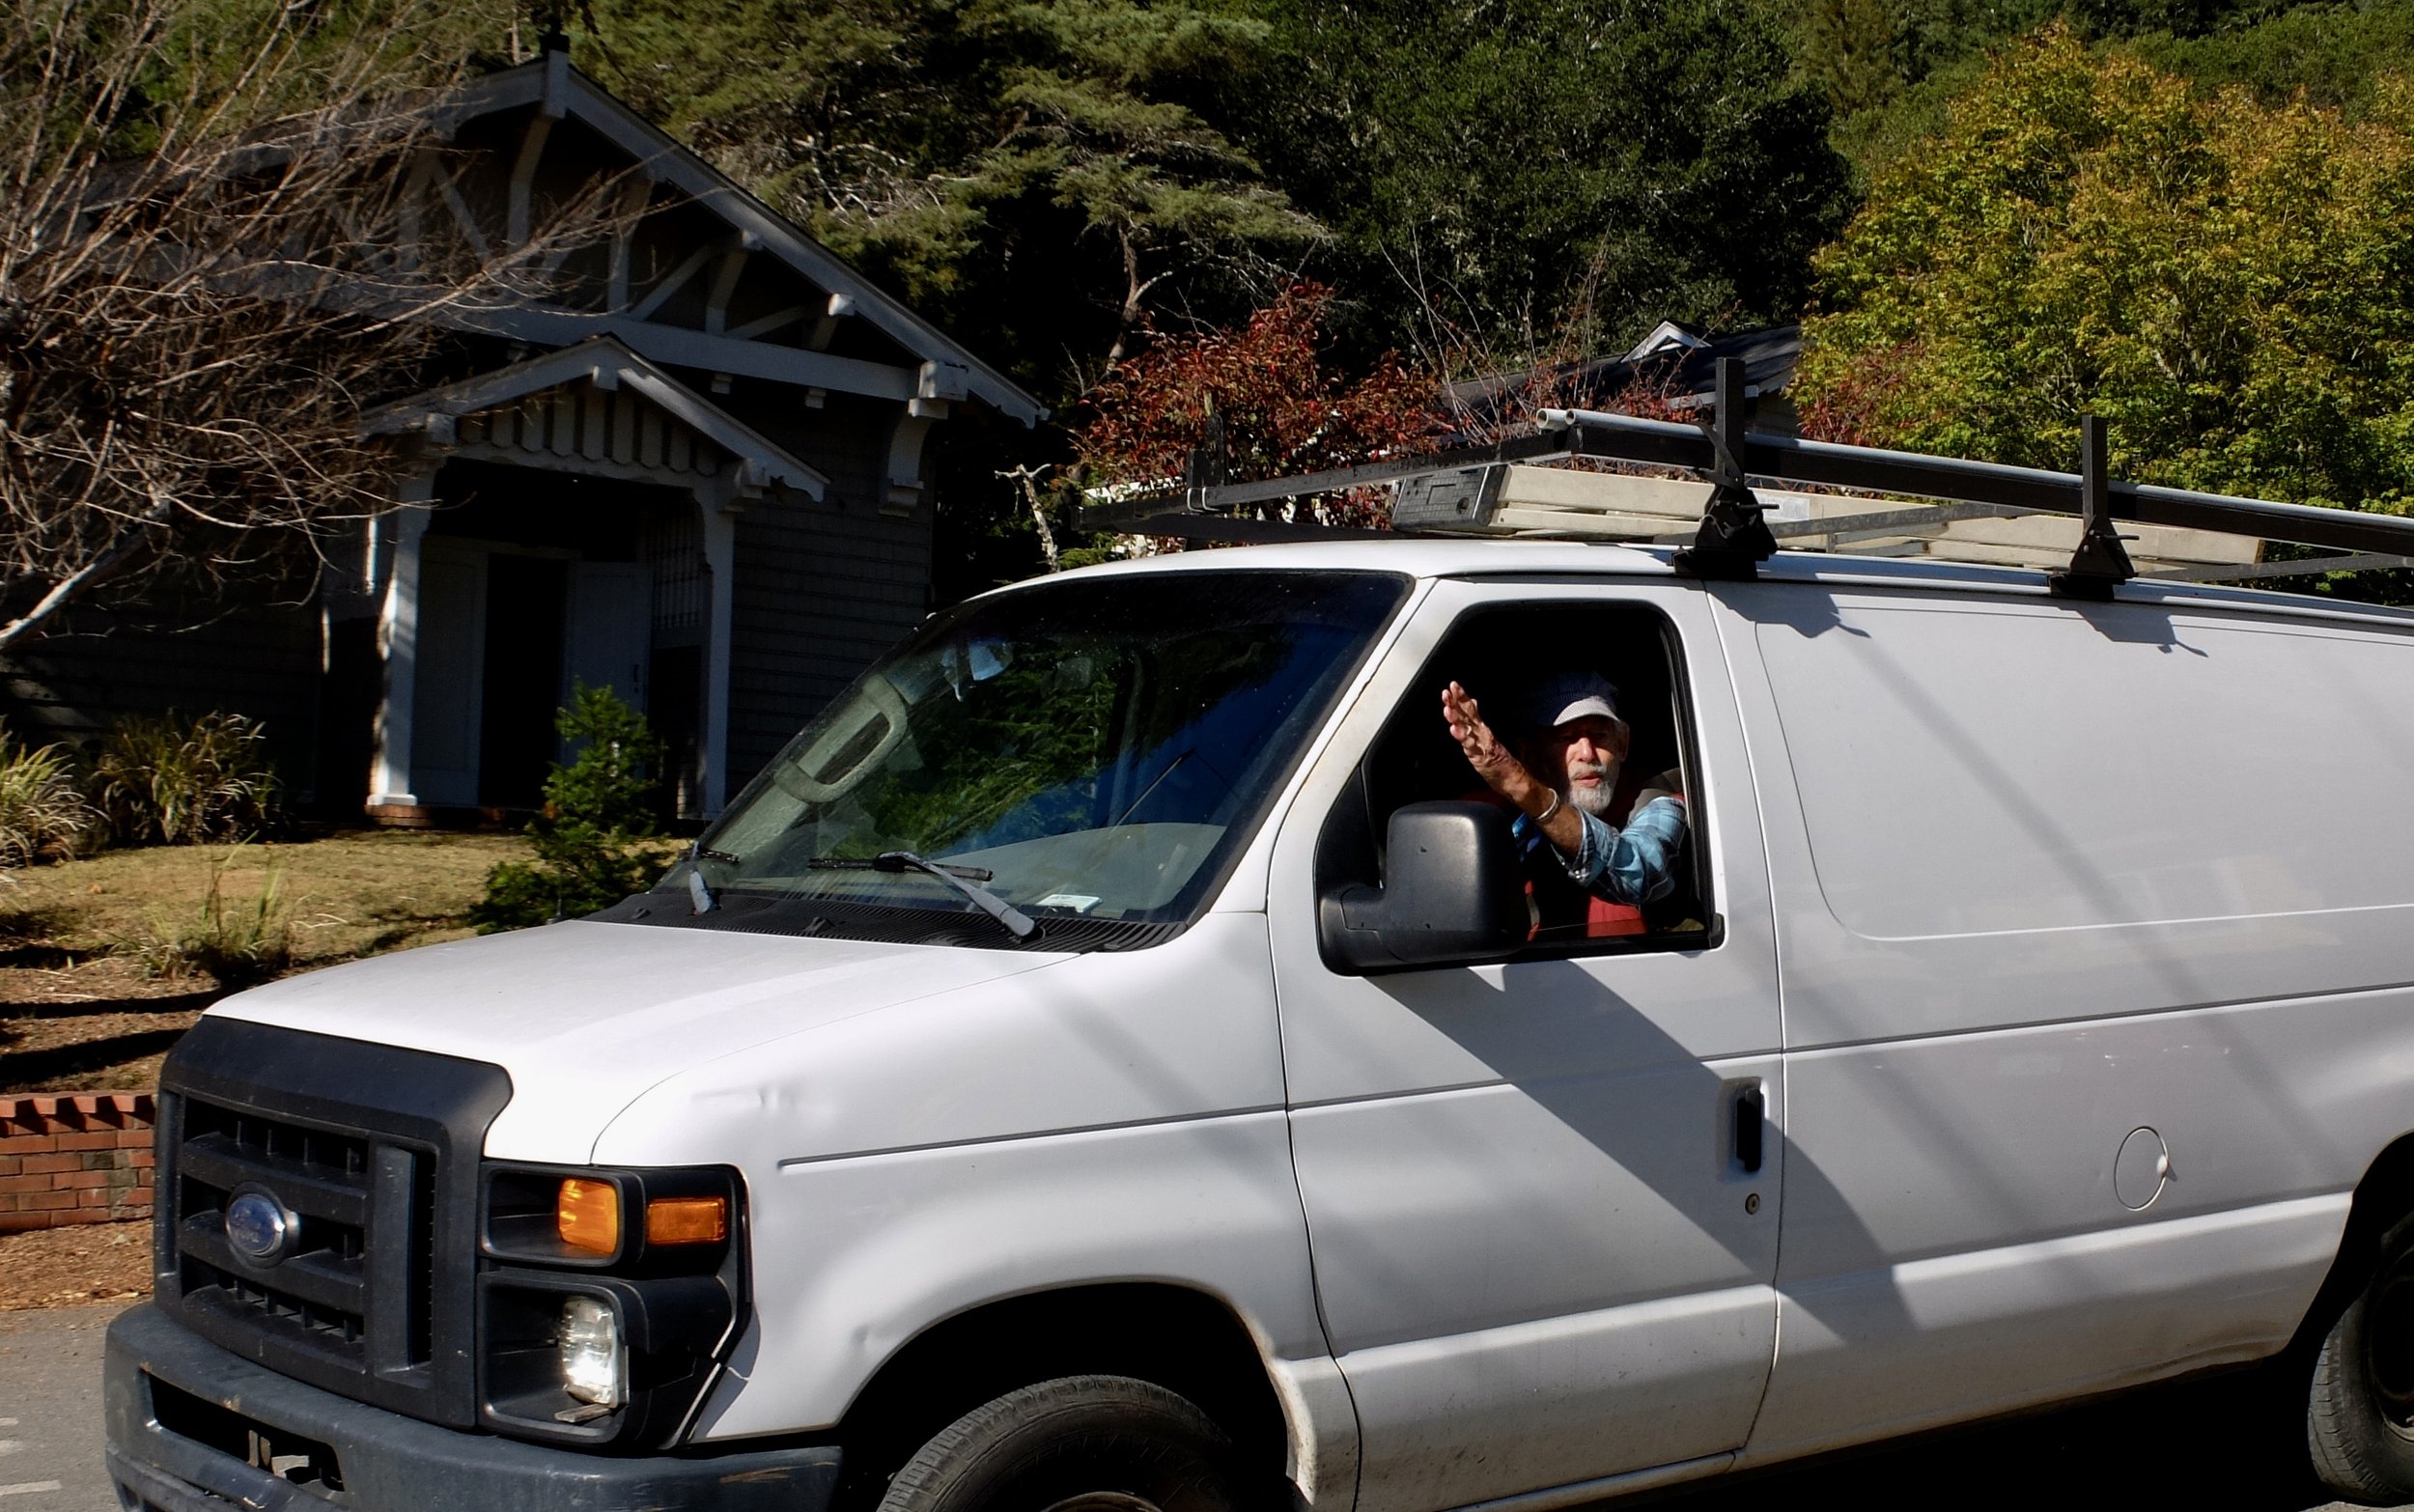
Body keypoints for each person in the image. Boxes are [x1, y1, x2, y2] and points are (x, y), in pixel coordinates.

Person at [1442, 672, 1688, 938]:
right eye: (1566, 738)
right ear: (1530, 754)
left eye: (1600, 736)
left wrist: (1522, 788)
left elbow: (1638, 872)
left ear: (1622, 745)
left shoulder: (1657, 803)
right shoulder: (1493, 819)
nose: (1587, 753)